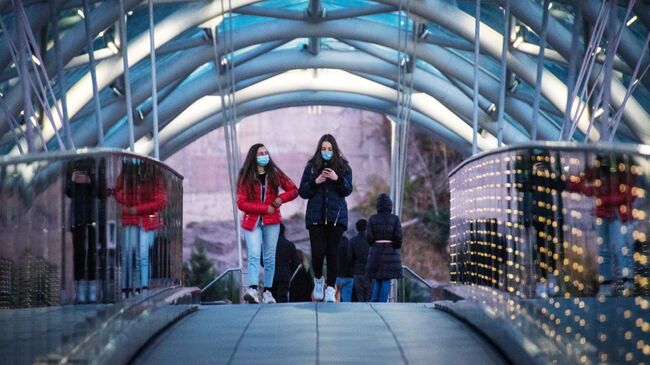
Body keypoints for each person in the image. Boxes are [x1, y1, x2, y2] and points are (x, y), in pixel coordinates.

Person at [237, 143, 298, 304]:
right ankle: (252, 289)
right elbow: (241, 203)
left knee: (270, 257)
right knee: (254, 254)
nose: (264, 155)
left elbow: (293, 190)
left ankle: (268, 292)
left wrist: (280, 199)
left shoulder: (275, 173)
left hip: (272, 222)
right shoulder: (246, 175)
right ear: (253, 157)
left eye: (266, 153)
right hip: (252, 222)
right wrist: (265, 208)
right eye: (260, 153)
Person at [298, 134, 353, 302]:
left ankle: (330, 288)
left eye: (329, 149)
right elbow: (303, 191)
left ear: (334, 150)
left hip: (336, 217)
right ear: (319, 150)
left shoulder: (344, 167)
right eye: (323, 149)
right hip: (316, 217)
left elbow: (348, 189)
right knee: (318, 252)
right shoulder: (312, 167)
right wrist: (317, 181)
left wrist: (337, 179)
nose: (326, 152)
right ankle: (318, 281)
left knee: (332, 252)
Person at [114, 159, 167, 296]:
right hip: (133, 221)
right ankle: (133, 287)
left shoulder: (153, 179)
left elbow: (159, 201)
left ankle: (141, 288)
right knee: (131, 255)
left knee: (141, 255)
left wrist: (137, 209)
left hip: (144, 222)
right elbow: (119, 194)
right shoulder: (129, 178)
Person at [65, 158, 98, 303]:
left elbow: (98, 192)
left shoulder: (92, 178)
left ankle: (91, 288)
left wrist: (90, 179)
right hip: (77, 220)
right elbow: (68, 192)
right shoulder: (72, 178)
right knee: (78, 253)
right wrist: (72, 180)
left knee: (91, 252)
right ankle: (78, 288)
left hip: (91, 219)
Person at [366, 193, 403, 303]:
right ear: (389, 205)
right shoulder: (395, 219)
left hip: (376, 251)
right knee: (386, 278)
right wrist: (396, 246)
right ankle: (382, 303)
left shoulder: (372, 219)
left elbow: (368, 236)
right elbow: (398, 236)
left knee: (377, 277)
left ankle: (374, 301)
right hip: (390, 251)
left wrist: (374, 244)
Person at [271, 224, 298, 303]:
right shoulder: (290, 245)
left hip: (270, 276)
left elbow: (262, 261)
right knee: (282, 297)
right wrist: (289, 270)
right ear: (283, 231)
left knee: (271, 297)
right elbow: (296, 263)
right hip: (284, 275)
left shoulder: (268, 245)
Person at [348, 218, 371, 302]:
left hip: (357, 272)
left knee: (360, 296)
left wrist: (353, 269)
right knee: (369, 295)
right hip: (370, 271)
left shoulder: (352, 241)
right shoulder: (371, 241)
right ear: (367, 228)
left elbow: (350, 258)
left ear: (357, 228)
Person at [335, 235, 354, 302]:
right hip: (349, 277)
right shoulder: (350, 247)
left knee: (335, 298)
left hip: (337, 276)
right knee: (346, 300)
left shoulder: (335, 248)